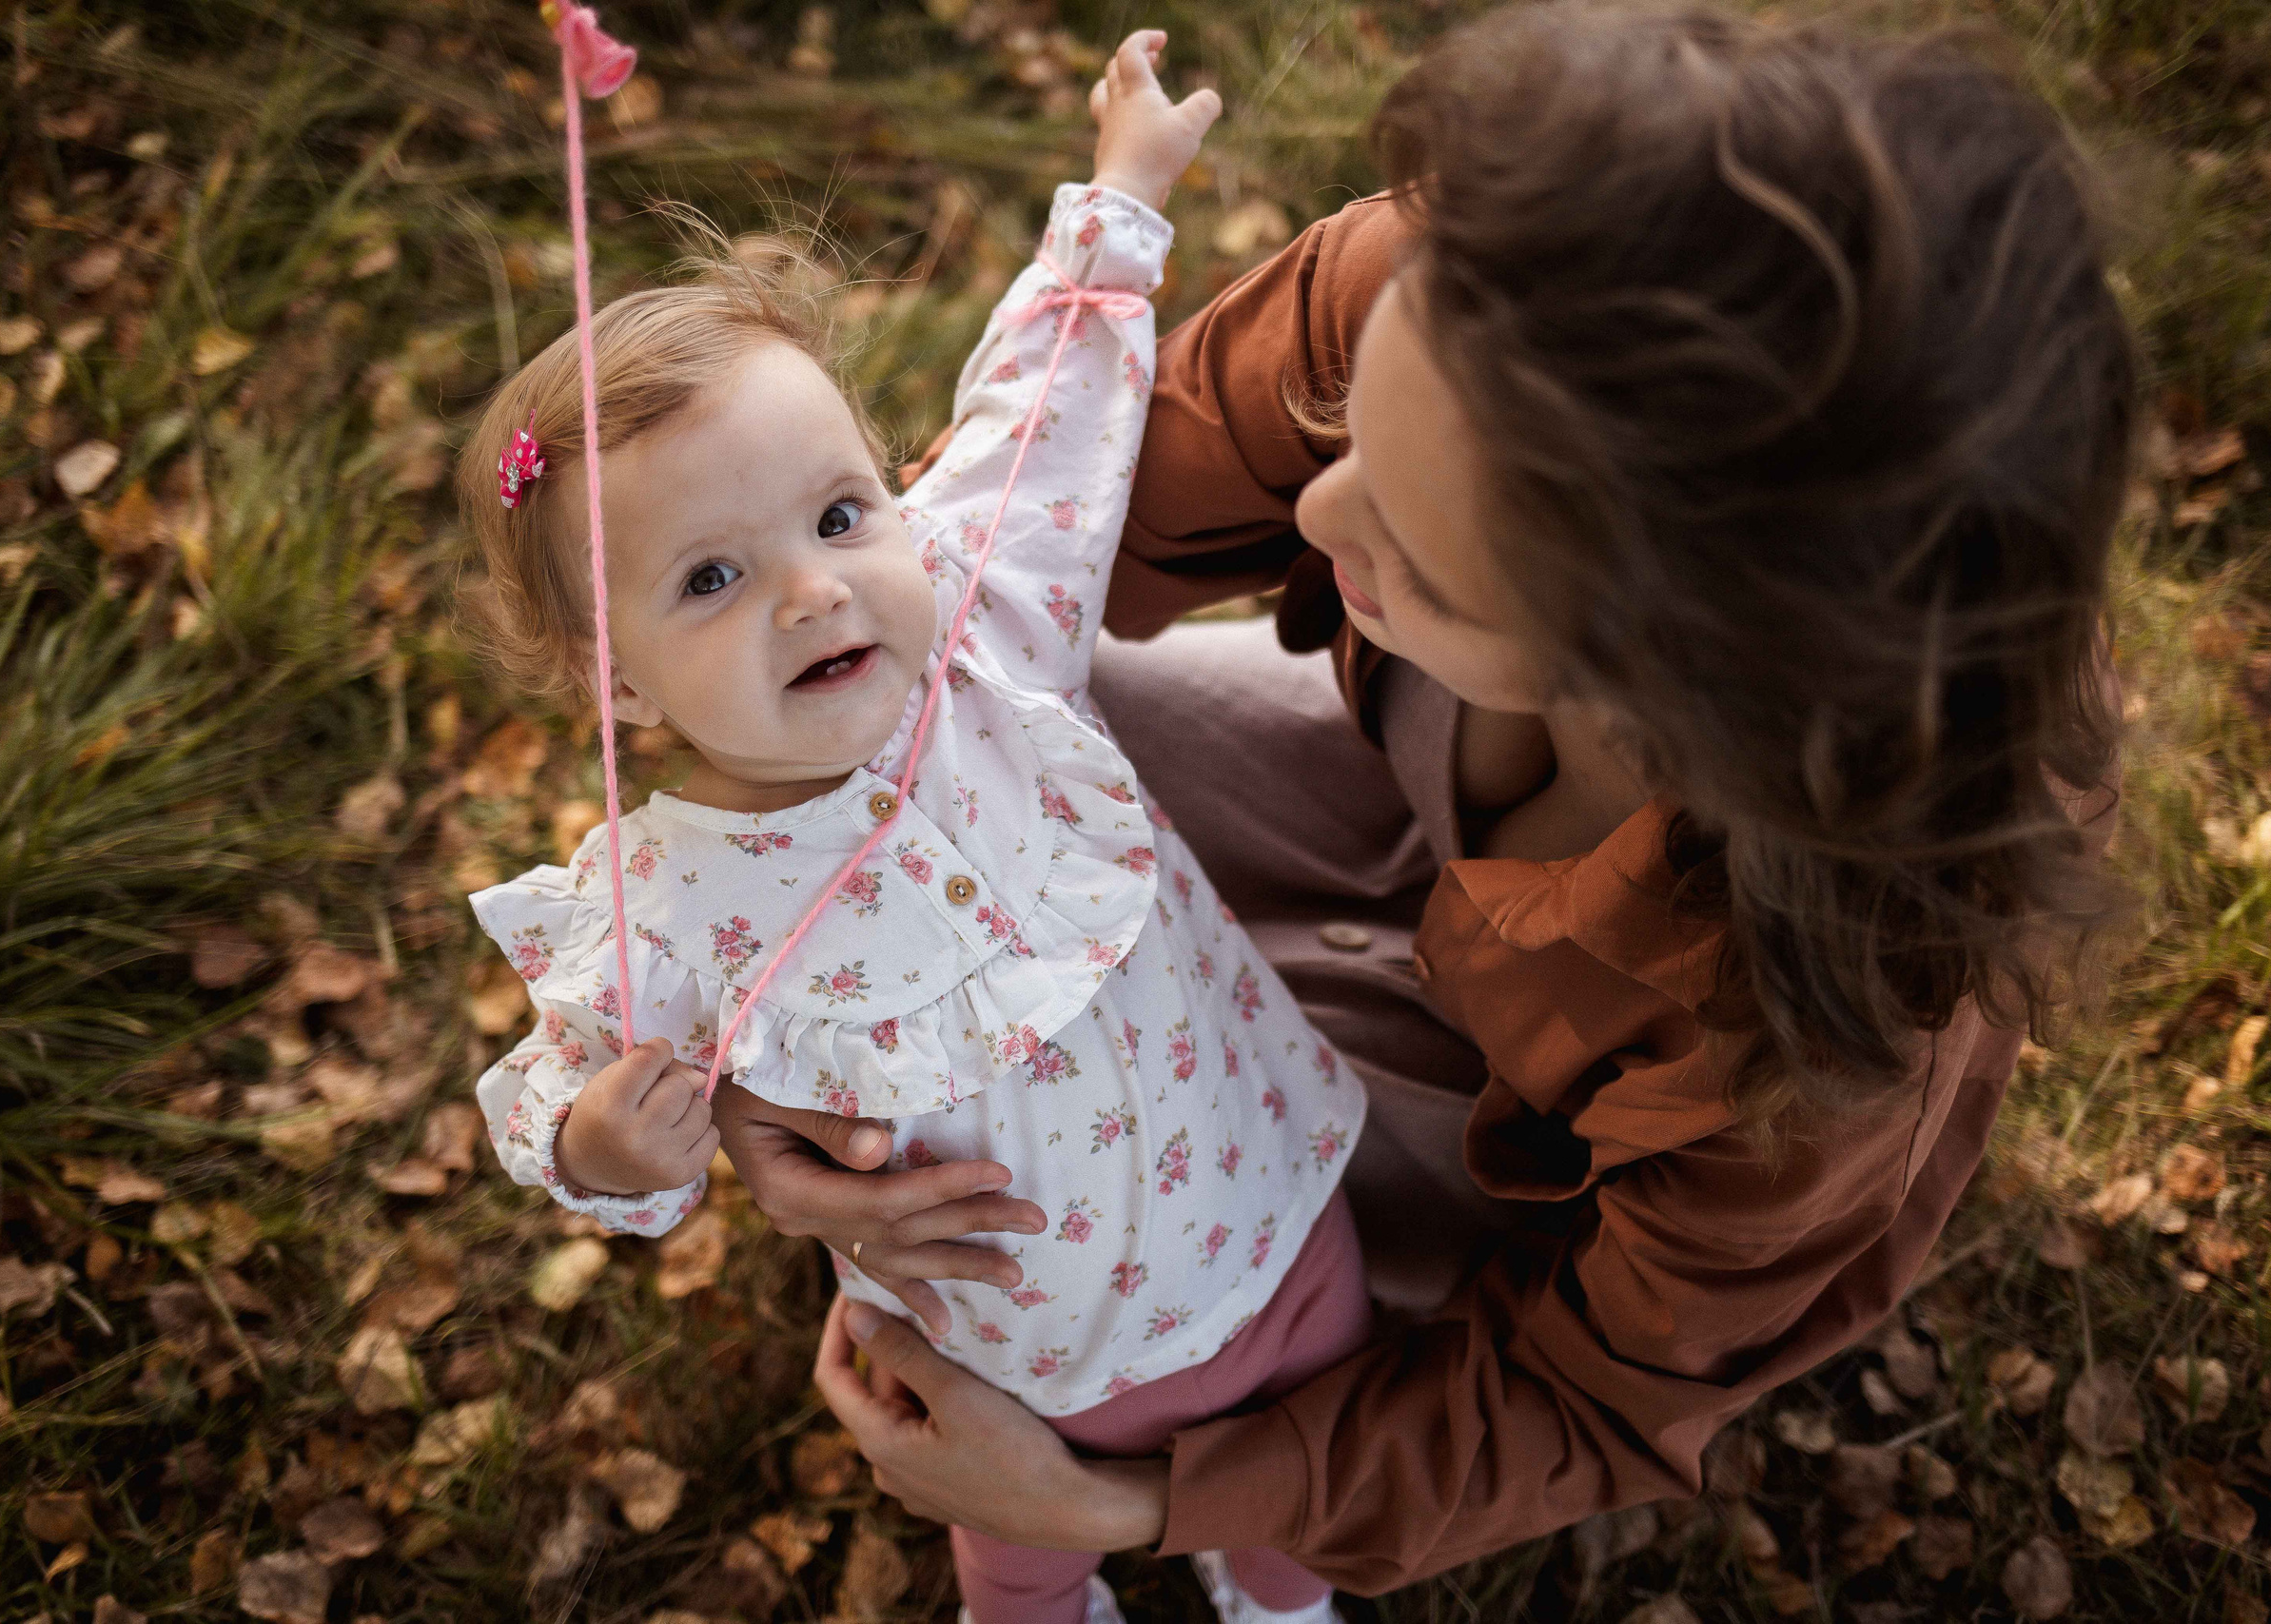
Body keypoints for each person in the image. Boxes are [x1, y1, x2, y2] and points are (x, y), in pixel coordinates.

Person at [754, 1, 2133, 1599]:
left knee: (1228, 1242)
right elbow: (988, 578)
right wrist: (771, 1050)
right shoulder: (1480, 296)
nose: (1318, 499)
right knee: (980, 742)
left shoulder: (1797, 1050)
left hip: (1547, 1129)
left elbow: (1574, 1400)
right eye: (1355, 424)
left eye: (1416, 543)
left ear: (1680, 692)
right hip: (1418, 826)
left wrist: (1123, 1502)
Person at [459, 30, 1377, 1624]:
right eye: (711, 578)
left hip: (1276, 1201)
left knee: (1310, 1453)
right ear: (616, 684)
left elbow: (1044, 399)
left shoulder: (977, 620)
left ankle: (1278, 1598)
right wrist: (608, 1136)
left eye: (834, 515)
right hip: (1008, 1350)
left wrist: (1120, 194)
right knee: (1013, 1550)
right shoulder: (672, 908)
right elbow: (551, 1091)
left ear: (892, 495)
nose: (815, 586)